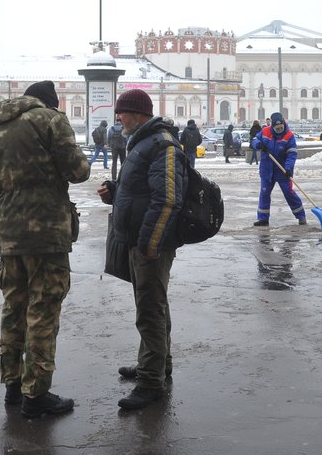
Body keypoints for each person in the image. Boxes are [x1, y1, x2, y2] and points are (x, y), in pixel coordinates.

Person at [0, 80, 90, 419]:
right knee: (42, 309)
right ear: (49, 101)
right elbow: (78, 171)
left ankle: (13, 385)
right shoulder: (50, 120)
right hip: (46, 234)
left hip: (9, 234)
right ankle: (36, 394)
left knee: (14, 306)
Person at [96, 88, 187, 411]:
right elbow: (142, 191)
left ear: (137, 113)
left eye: (121, 112)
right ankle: (157, 363)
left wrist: (150, 243)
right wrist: (116, 192)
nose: (117, 118)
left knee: (149, 310)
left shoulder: (162, 144)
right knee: (153, 304)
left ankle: (151, 382)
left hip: (152, 244)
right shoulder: (142, 142)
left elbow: (168, 198)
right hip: (141, 240)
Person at [251, 112, 306, 226]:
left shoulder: (289, 136)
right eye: (277, 128)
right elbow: (254, 140)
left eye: (281, 127)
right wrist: (259, 144)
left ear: (284, 123)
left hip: (282, 171)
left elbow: (292, 154)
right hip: (267, 170)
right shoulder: (265, 131)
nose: (279, 130)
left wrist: (288, 168)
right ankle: (263, 219)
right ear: (272, 126)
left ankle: (301, 216)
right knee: (264, 194)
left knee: (289, 193)